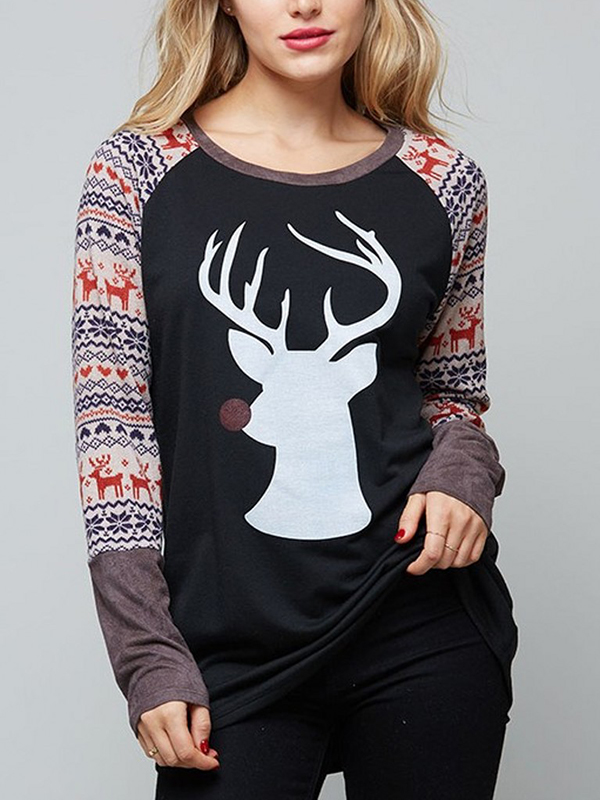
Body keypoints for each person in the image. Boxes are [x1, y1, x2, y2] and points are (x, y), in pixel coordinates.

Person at [70, 0, 519, 797]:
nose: (303, 4)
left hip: (418, 620)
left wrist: (464, 472)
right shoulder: (137, 171)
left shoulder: (444, 180)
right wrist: (148, 655)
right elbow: (115, 435)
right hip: (230, 647)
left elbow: (451, 395)